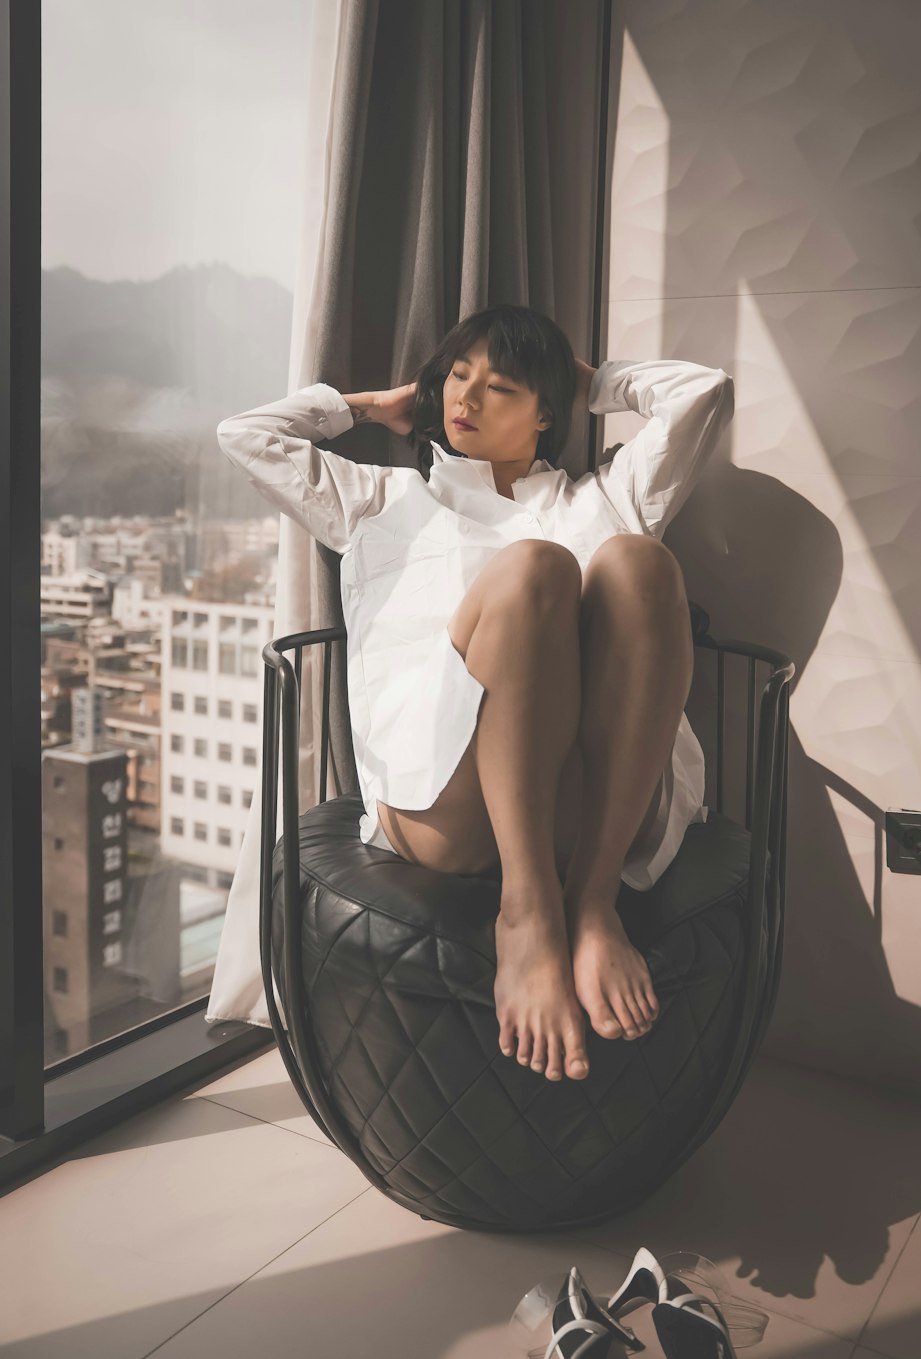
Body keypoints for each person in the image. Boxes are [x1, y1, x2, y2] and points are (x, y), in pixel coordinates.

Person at [216, 303, 734, 1087]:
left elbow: (706, 394)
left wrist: (592, 382)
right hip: (440, 806)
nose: (465, 396)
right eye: (458, 375)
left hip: (589, 805)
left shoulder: (602, 499)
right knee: (535, 570)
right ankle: (527, 911)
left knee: (639, 565)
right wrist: (368, 405)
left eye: (501, 386)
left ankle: (593, 905)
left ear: (546, 412)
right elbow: (245, 436)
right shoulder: (380, 503)